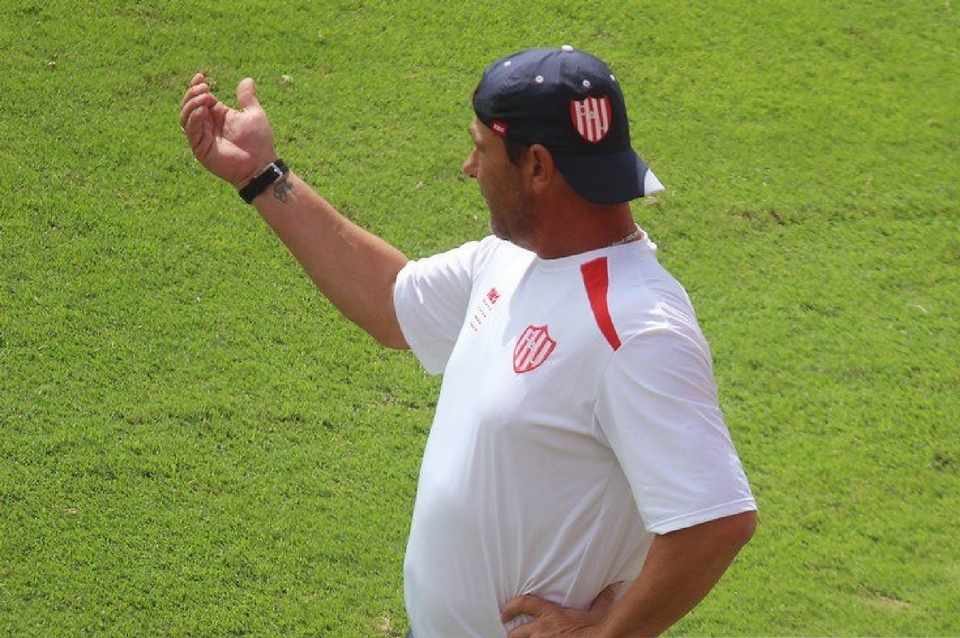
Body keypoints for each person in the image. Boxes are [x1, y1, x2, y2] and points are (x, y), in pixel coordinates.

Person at [180, 45, 758, 638]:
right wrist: (262, 175)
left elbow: (716, 520)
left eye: (481, 148)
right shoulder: (512, 258)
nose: (469, 167)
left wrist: (605, 634)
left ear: (538, 167)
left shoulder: (638, 329)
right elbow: (390, 301)